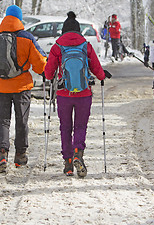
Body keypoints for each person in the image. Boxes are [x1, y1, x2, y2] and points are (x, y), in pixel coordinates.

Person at [0, 5, 47, 173]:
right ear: (20, 19)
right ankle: (20, 155)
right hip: (21, 87)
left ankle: (2, 154)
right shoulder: (27, 38)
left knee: (3, 121)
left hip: (0, 86)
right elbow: (40, 66)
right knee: (21, 120)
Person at [44, 11, 111, 177]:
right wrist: (103, 76)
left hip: (64, 94)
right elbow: (96, 68)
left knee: (65, 128)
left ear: (64, 30)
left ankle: (67, 163)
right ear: (78, 30)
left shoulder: (57, 46)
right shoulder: (85, 45)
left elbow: (48, 73)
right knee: (80, 126)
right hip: (84, 94)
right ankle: (77, 153)